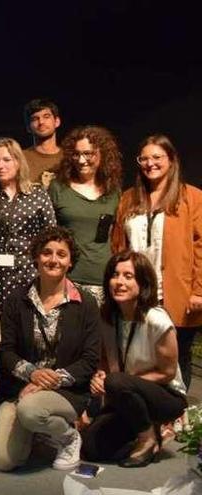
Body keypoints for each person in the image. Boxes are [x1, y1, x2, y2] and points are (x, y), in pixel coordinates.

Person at [0, 227, 100, 472]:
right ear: (36, 257)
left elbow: (90, 360)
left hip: (67, 391)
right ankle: (39, 431)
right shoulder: (16, 299)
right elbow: (6, 351)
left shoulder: (86, 303)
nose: (53, 259)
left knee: (31, 411)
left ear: (70, 262)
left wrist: (48, 381)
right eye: (47, 252)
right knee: (3, 461)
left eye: (62, 254)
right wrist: (31, 373)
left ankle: (68, 437)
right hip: (23, 388)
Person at [111, 134, 202, 388]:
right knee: (138, 357)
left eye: (157, 157)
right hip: (136, 294)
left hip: (175, 293)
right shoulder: (129, 198)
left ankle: (176, 417)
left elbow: (200, 246)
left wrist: (198, 291)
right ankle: (143, 417)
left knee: (175, 359)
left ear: (171, 161)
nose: (150, 163)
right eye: (144, 158)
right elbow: (118, 245)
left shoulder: (191, 197)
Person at [81, 251, 187, 467]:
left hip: (166, 397)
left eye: (128, 276)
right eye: (115, 275)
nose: (119, 282)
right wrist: (101, 375)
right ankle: (152, 431)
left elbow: (167, 373)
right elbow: (105, 361)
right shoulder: (108, 317)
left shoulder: (157, 319)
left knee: (116, 381)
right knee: (90, 448)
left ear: (143, 283)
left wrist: (120, 381)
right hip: (125, 394)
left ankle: (147, 438)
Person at [0, 137, 56, 307]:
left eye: (6, 160)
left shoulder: (37, 194)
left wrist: (47, 278)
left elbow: (51, 237)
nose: (0, 166)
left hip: (31, 275)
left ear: (18, 162)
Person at [48, 126, 122, 302]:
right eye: (76, 154)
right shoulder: (58, 188)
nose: (81, 160)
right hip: (67, 278)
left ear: (102, 154)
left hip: (103, 278)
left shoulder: (114, 192)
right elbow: (47, 235)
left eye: (88, 154)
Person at [23, 99, 63, 187]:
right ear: (28, 127)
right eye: (35, 119)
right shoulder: (20, 158)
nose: (41, 122)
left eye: (46, 116)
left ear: (57, 122)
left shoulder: (69, 157)